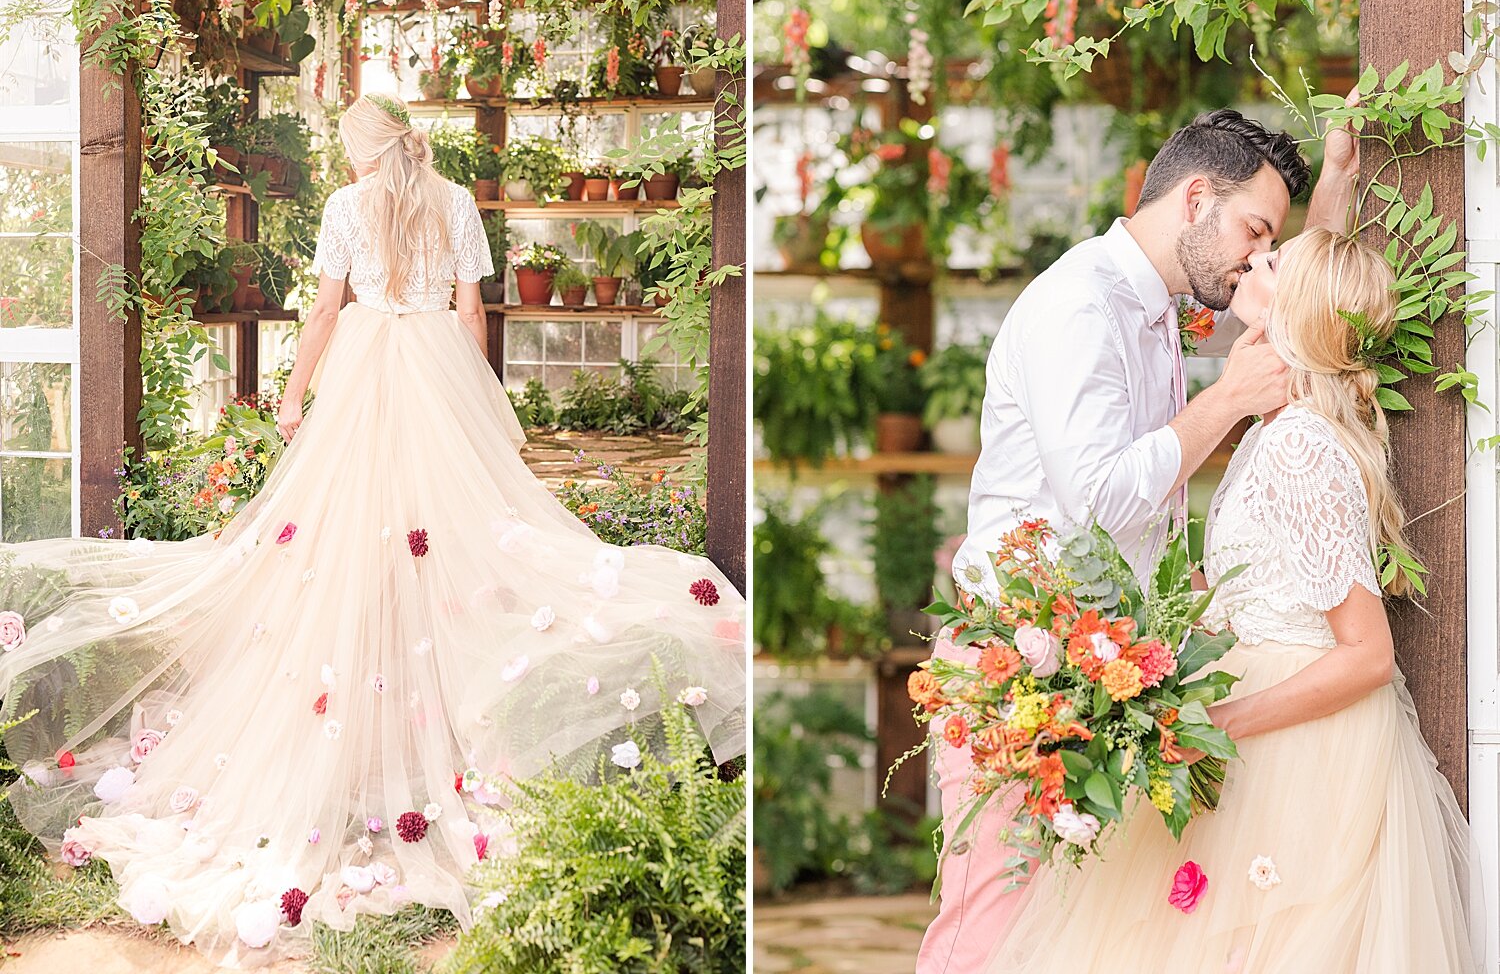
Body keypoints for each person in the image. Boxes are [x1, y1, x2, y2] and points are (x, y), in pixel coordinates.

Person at [0, 92, 746, 967]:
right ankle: (422, 738)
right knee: (453, 548)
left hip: (363, 380)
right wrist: (473, 396)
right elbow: (473, 313)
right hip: (436, 371)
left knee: (343, 547)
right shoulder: (455, 199)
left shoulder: (347, 207)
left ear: (358, 150)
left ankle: (367, 734)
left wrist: (289, 394)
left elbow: (323, 312)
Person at [917, 108, 1358, 974]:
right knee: (991, 921)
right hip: (1019, 661)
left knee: (1065, 932)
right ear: (1197, 197)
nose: (1251, 256)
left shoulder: (1159, 305)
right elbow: (1096, 503)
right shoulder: (1080, 304)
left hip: (1097, 666)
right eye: (1252, 230)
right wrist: (1225, 400)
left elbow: (1301, 302)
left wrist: (1334, 189)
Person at [978, 225, 1482, 973]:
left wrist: (1220, 721)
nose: (1256, 258)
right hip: (1249, 715)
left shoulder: (1303, 445)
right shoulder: (1269, 430)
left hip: (1296, 746)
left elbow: (1369, 654)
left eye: (1273, 259)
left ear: (1295, 308)